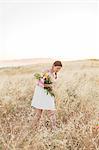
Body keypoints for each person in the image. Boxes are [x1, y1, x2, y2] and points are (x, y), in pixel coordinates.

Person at [31, 60, 62, 131]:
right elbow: (40, 83)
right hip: (41, 93)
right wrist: (51, 85)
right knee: (39, 112)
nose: (58, 70)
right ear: (53, 66)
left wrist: (52, 87)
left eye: (59, 69)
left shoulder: (54, 74)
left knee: (52, 111)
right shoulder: (46, 72)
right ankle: (33, 128)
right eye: (57, 68)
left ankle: (54, 128)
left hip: (48, 94)